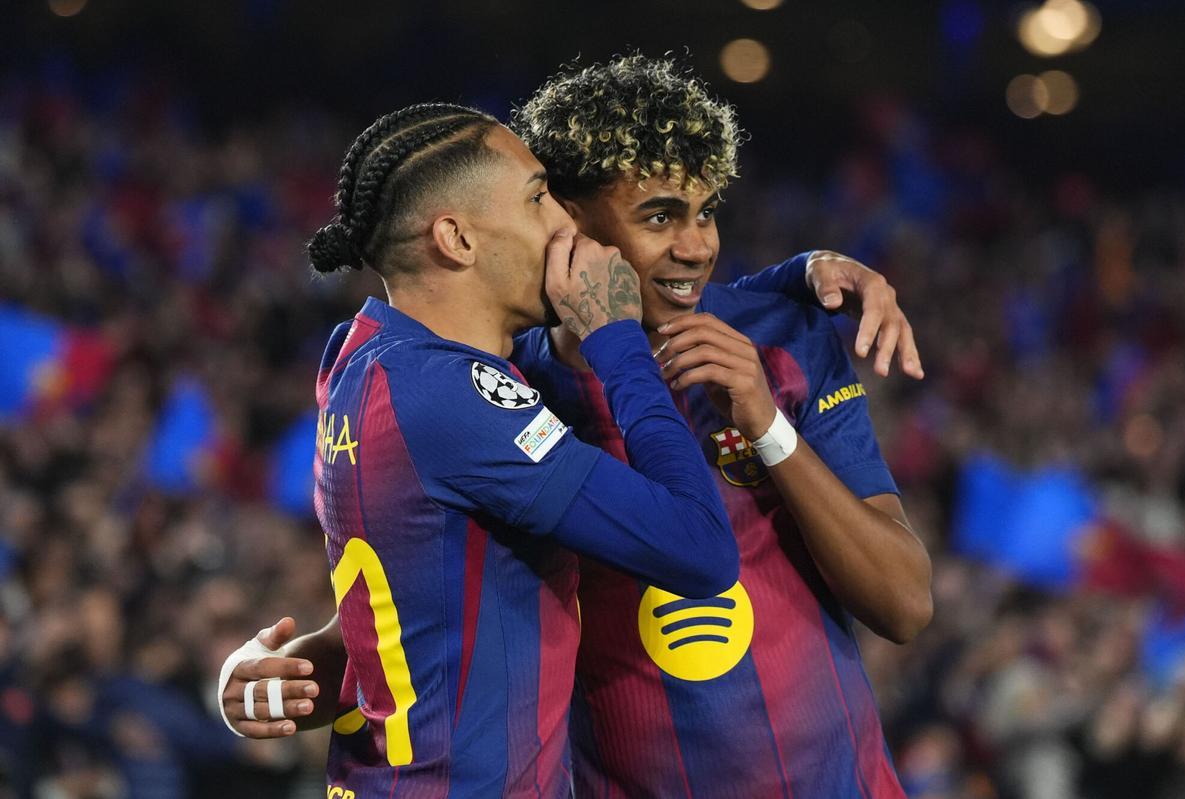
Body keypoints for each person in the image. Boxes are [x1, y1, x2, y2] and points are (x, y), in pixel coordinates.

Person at [220, 57, 931, 797]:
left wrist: (771, 423)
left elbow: (904, 603)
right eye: (659, 216)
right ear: (569, 217)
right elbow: (415, 621)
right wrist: (289, 675)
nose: (697, 247)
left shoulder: (784, 336)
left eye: (707, 210)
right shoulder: (504, 388)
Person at [272, 101, 745, 797]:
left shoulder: (360, 356)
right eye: (537, 198)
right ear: (456, 239)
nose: (564, 221)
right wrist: (617, 339)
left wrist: (805, 273)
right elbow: (699, 548)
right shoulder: (451, 396)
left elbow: (421, 602)